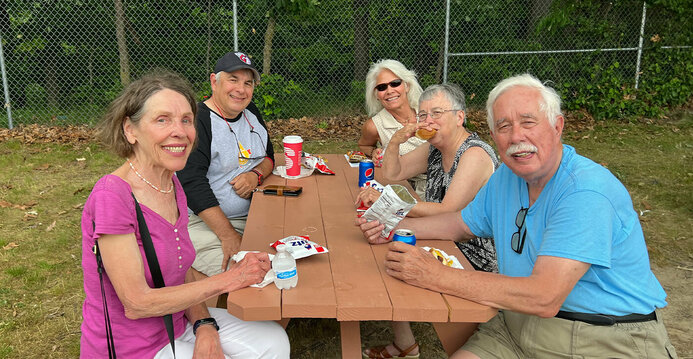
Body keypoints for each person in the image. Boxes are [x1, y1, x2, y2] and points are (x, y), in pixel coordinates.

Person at [358, 73, 677, 358]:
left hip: (603, 336)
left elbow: (544, 297)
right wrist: (392, 224)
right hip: (514, 325)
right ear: (494, 135)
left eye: (528, 122)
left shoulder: (585, 192)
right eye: (504, 126)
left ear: (557, 126)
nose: (516, 137)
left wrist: (434, 274)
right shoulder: (507, 178)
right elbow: (459, 223)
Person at [80, 70, 290, 358]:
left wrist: (204, 326)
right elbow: (137, 302)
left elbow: (182, 269)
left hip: (178, 321)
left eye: (186, 120)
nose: (179, 131)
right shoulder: (112, 197)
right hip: (133, 345)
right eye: (162, 119)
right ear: (130, 129)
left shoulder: (171, 182)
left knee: (274, 341)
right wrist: (232, 278)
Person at [358, 84, 499, 359]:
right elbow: (391, 173)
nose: (428, 121)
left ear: (460, 117)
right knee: (391, 248)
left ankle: (460, 341)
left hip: (474, 251)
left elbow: (449, 210)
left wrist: (394, 205)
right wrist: (396, 141)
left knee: (396, 249)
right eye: (422, 115)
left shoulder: (474, 153)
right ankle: (405, 344)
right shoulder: (434, 147)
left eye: (436, 112)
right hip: (442, 238)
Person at [178, 51, 275, 277]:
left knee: (293, 255)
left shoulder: (250, 111)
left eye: (248, 83)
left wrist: (256, 175)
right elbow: (191, 183)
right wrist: (228, 235)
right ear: (214, 81)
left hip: (254, 216)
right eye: (233, 79)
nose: (241, 89)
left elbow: (270, 156)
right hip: (206, 225)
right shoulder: (198, 120)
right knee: (251, 276)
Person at [358, 59, 428, 197]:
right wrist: (373, 152)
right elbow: (363, 145)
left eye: (395, 83)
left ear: (407, 86)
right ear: (376, 95)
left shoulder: (429, 111)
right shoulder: (374, 125)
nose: (389, 91)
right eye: (382, 87)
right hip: (410, 189)